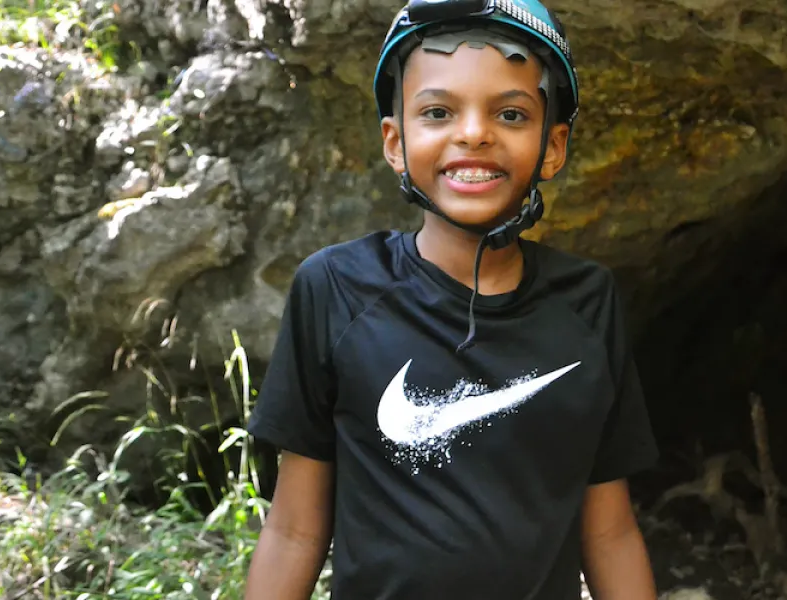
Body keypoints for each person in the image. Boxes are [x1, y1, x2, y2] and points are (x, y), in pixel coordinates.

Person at [242, 1, 660, 598]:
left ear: (553, 146)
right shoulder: (336, 288)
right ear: (395, 142)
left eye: (511, 114)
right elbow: (294, 531)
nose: (473, 133)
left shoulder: (588, 303)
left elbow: (611, 531)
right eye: (437, 112)